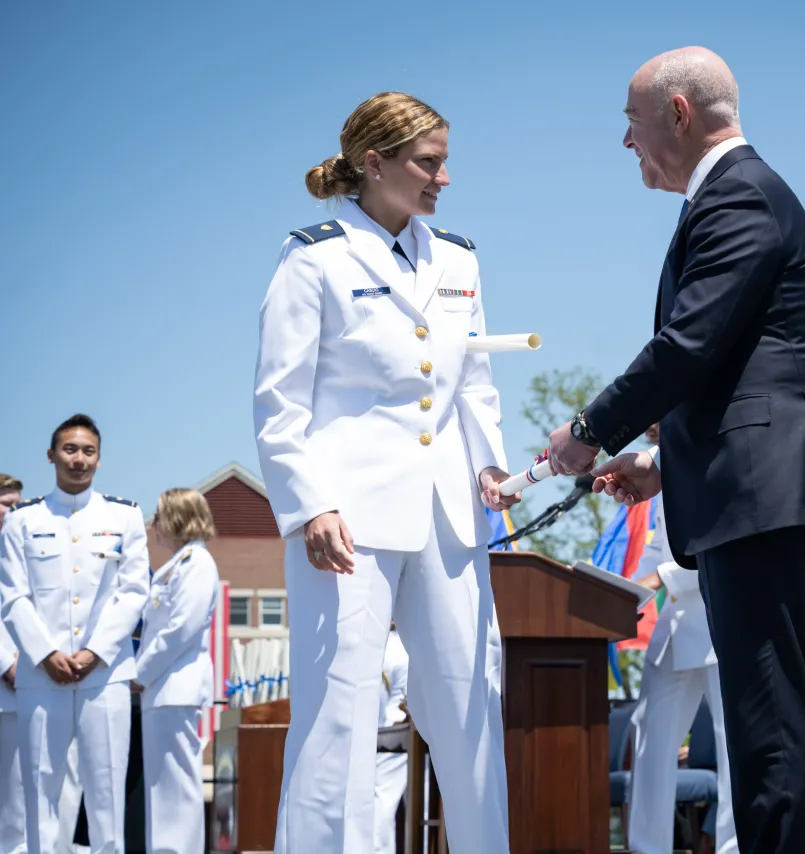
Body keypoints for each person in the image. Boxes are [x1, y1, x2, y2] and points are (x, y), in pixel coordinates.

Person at [547, 47, 805, 854]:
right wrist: (659, 465)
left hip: (763, 496)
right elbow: (732, 364)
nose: (627, 143)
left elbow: (687, 346)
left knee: (768, 733)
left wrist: (587, 435)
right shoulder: (731, 199)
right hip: (749, 487)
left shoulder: (740, 198)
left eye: (632, 123)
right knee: (764, 726)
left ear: (679, 114)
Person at [253, 91, 518, 854]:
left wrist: (492, 469)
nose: (442, 180)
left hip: (449, 517)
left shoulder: (459, 258)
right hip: (348, 521)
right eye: (427, 163)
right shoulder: (316, 256)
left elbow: (472, 384)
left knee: (473, 708)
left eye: (444, 163)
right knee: (337, 714)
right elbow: (279, 400)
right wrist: (309, 507)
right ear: (374, 163)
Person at [0, 414, 149, 853]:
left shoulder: (124, 515)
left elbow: (134, 591)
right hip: (40, 676)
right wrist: (46, 653)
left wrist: (94, 653)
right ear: (51, 456)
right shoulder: (23, 521)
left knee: (106, 793)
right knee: (40, 789)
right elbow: (12, 595)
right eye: (69, 450)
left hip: (104, 676)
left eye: (87, 451)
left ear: (99, 459)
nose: (78, 460)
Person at [627, 425, 738, 854]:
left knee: (733, 748)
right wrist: (626, 590)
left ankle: (733, 849)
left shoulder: (715, 448)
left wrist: (661, 577)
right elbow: (659, 549)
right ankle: (645, 848)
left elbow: (723, 539)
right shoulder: (663, 465)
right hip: (673, 628)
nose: (646, 426)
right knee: (649, 742)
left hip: (718, 621)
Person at [134, 488, 221, 854]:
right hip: (163, 690)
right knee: (163, 788)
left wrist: (140, 673)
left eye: (159, 515)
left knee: (176, 787)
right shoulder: (180, 564)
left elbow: (180, 629)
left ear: (178, 518)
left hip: (174, 688)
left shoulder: (197, 564)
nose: (154, 524)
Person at [0, 474, 25, 854]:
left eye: (17, 505)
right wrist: (7, 664)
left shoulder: (20, 550)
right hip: (11, 680)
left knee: (17, 809)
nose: (13, 512)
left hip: (22, 694)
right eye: (6, 504)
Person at [372, 625, 409, 854]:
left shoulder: (381, 647)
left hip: (387, 738)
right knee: (423, 808)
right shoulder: (409, 644)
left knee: (382, 805)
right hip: (410, 734)